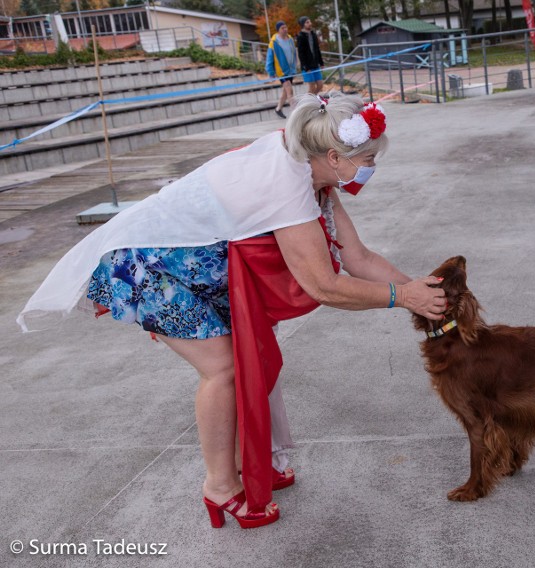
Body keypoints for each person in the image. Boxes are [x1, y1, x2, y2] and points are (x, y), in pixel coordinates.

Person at [17, 93, 447, 529]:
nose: (373, 168)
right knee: (222, 368)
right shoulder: (286, 186)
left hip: (192, 267)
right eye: (369, 158)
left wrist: (418, 288)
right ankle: (220, 486)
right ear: (335, 156)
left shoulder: (311, 170)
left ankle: (250, 462)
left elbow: (358, 257)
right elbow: (324, 286)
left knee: (249, 358)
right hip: (148, 265)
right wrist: (401, 297)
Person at [266, 20, 298, 119]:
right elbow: (269, 57)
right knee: (289, 90)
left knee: (286, 91)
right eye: (282, 28)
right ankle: (295, 114)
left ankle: (278, 108)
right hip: (281, 71)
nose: (285, 29)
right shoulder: (274, 42)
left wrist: (295, 65)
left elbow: (294, 53)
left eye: (286, 27)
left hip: (290, 70)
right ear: (278, 30)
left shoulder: (290, 39)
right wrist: (271, 72)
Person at [296, 16, 324, 95]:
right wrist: (305, 66)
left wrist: (321, 63)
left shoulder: (313, 34)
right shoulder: (300, 36)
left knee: (320, 85)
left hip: (315, 65)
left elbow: (317, 49)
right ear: (303, 24)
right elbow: (301, 53)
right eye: (307, 22)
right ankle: (307, 102)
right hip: (307, 66)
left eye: (310, 22)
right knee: (312, 87)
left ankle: (311, 100)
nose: (310, 24)